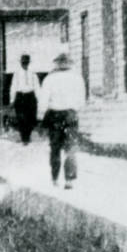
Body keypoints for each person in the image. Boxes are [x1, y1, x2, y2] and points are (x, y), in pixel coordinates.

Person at [37, 52, 85, 189]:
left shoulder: (49, 79)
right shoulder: (77, 78)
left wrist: (41, 117)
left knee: (55, 147)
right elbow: (81, 100)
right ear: (70, 63)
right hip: (71, 114)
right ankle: (69, 179)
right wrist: (74, 110)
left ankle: (55, 178)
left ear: (57, 63)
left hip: (55, 115)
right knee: (70, 147)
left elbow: (43, 101)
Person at [9, 53, 38, 144]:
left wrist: (38, 98)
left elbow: (37, 86)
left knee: (31, 117)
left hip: (30, 96)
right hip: (20, 96)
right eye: (23, 62)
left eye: (26, 62)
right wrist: (12, 100)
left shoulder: (33, 73)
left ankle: (28, 136)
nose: (25, 64)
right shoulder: (17, 73)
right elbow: (13, 87)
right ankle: (24, 138)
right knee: (21, 117)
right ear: (21, 63)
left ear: (29, 62)